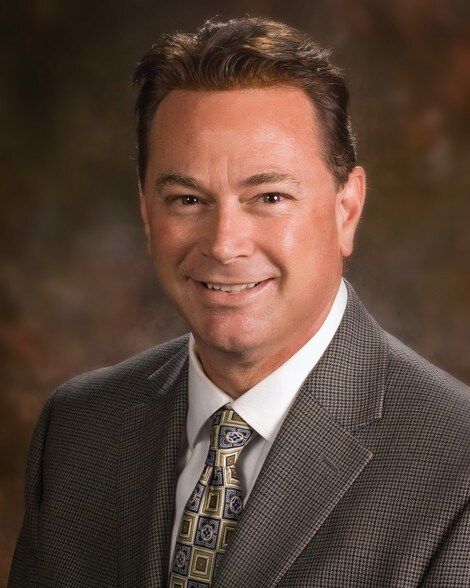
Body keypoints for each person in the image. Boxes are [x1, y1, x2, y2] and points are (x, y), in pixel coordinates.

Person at [9, 17, 470, 588]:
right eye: (187, 199)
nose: (225, 244)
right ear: (147, 212)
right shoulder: (78, 427)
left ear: (346, 209)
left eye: (269, 196)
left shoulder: (456, 466)